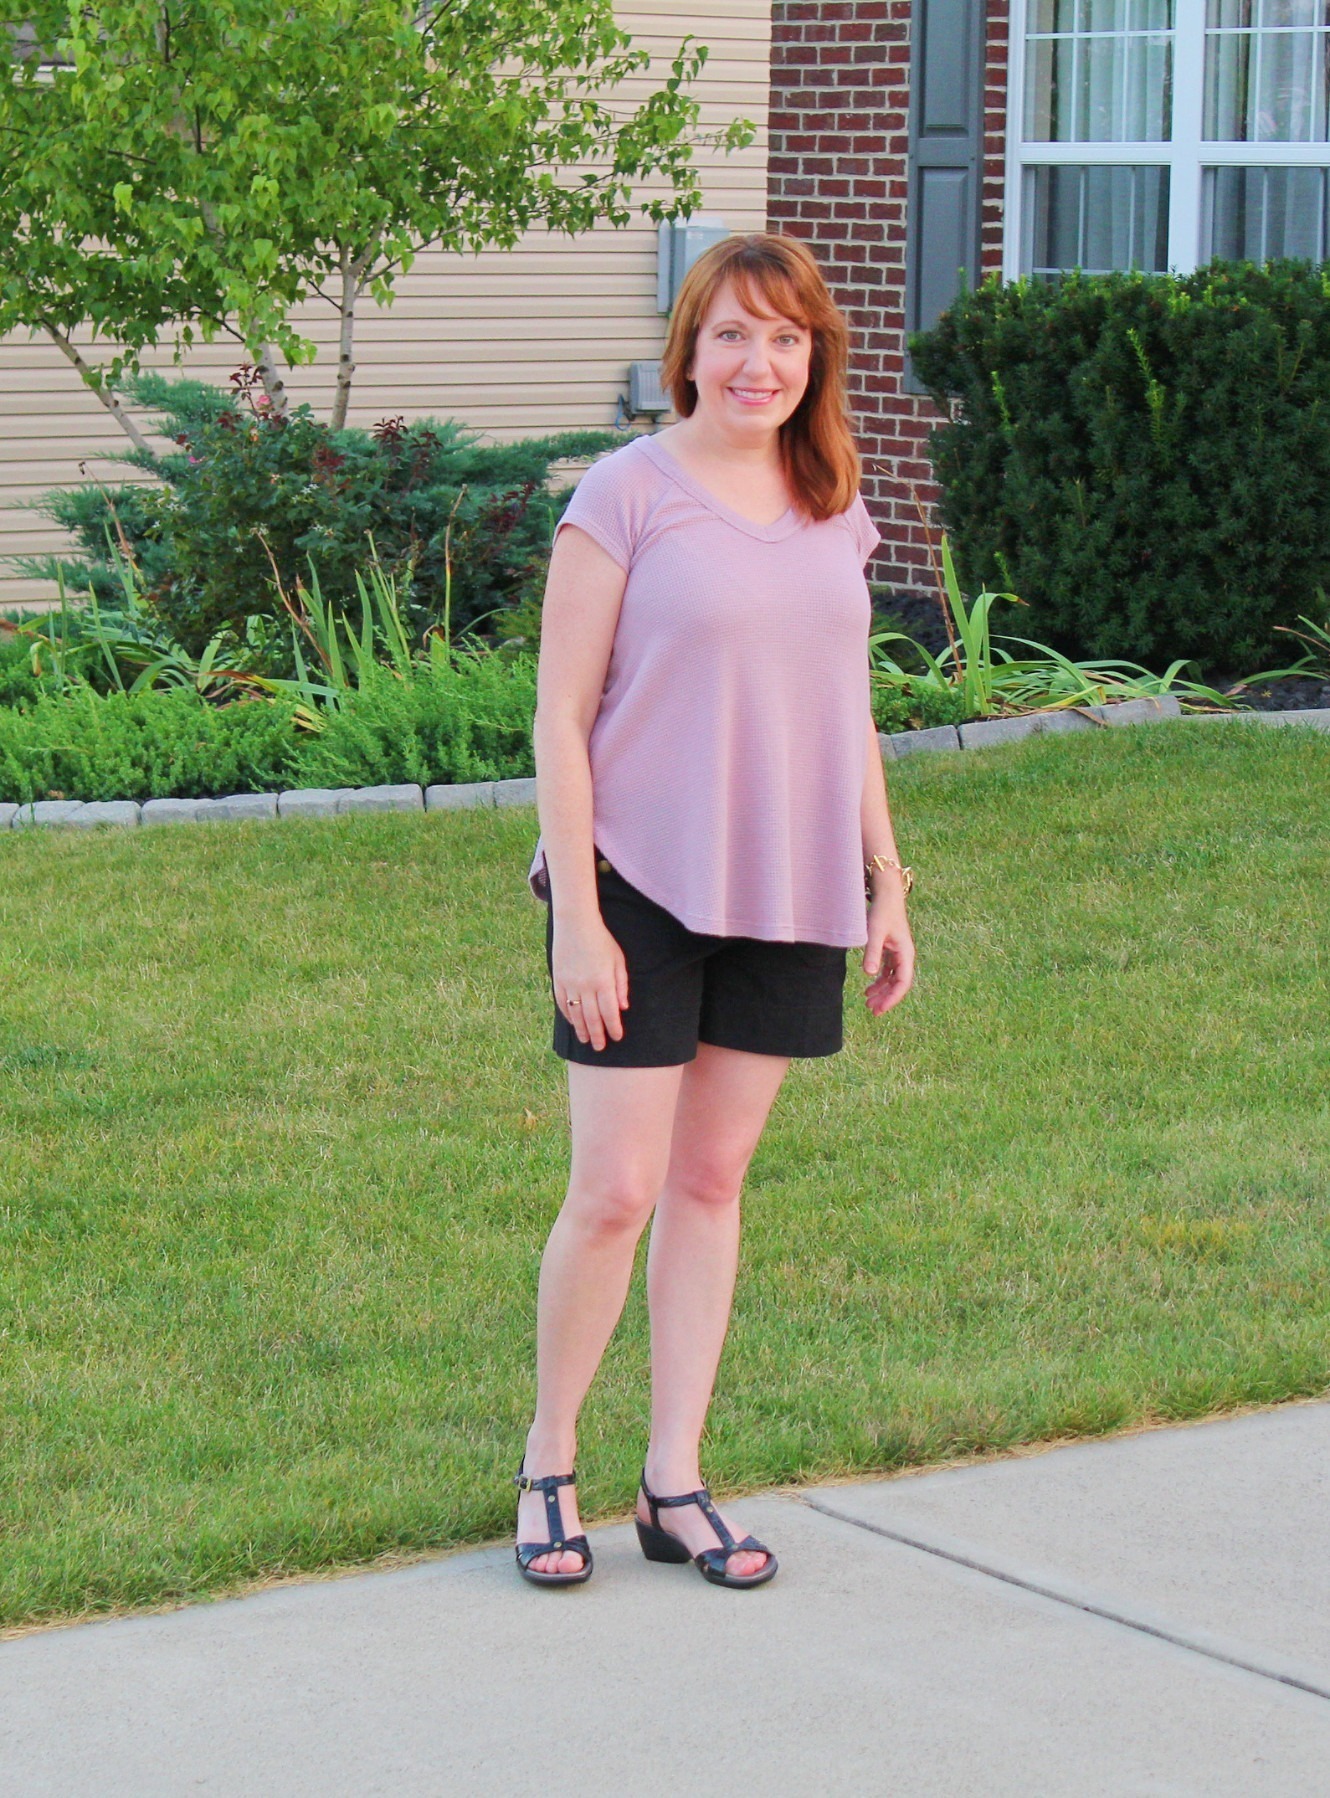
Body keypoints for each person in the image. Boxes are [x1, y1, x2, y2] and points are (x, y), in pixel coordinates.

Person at [515, 231, 916, 1589]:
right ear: (688, 348)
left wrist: (886, 877)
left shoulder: (831, 503)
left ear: (816, 360)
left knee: (710, 1180)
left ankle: (673, 1476)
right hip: (636, 883)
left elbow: (844, 704)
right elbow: (560, 718)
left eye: (788, 339)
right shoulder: (622, 494)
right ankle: (548, 1462)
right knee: (617, 1187)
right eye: (735, 335)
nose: (762, 363)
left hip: (787, 887)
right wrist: (578, 914)